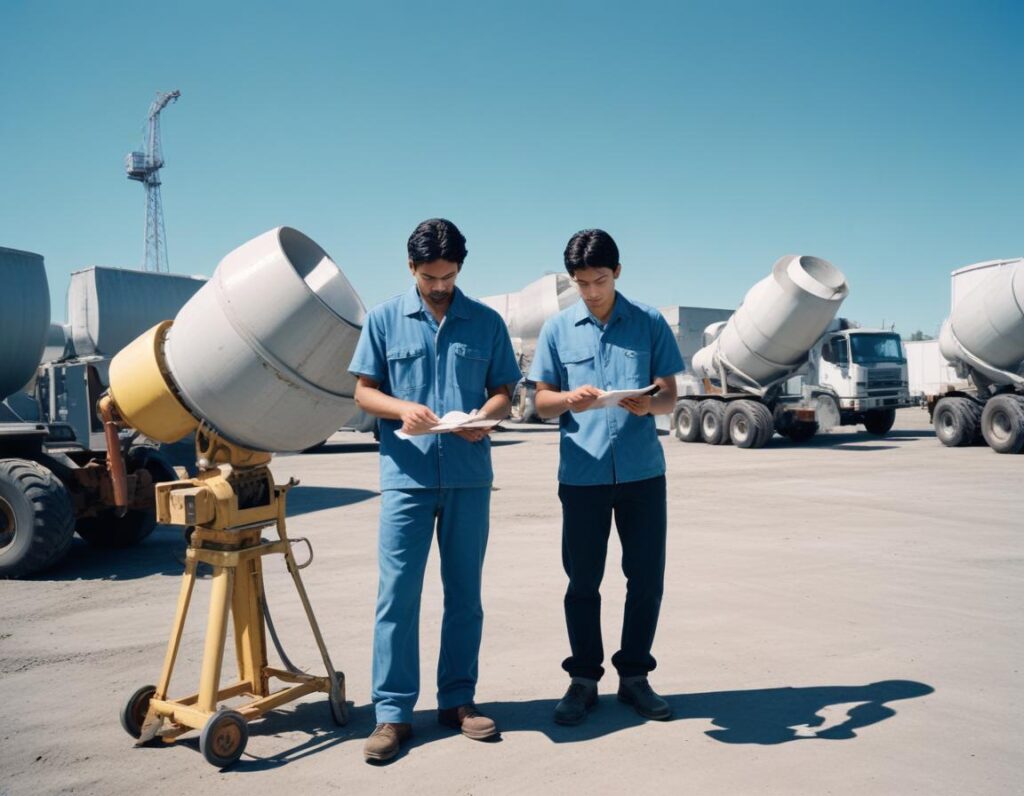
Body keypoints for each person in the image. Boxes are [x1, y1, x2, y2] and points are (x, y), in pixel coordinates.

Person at [348, 218, 521, 763]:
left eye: (448, 275)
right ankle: (392, 714)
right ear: (410, 268)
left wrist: (484, 418)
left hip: (469, 476)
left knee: (464, 594)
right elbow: (363, 392)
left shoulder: (486, 322)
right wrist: (403, 409)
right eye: (430, 276)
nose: (440, 285)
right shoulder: (382, 320)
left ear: (460, 269)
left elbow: (503, 393)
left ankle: (458, 701)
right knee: (397, 596)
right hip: (407, 479)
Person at [528, 228, 684, 725]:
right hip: (582, 474)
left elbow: (670, 396)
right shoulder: (557, 330)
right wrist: (570, 399)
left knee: (645, 580)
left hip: (641, 474)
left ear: (617, 272)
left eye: (599, 280)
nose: (591, 291)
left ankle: (635, 677)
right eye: (581, 283)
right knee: (582, 582)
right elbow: (541, 402)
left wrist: (647, 405)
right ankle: (583, 679)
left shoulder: (649, 322)